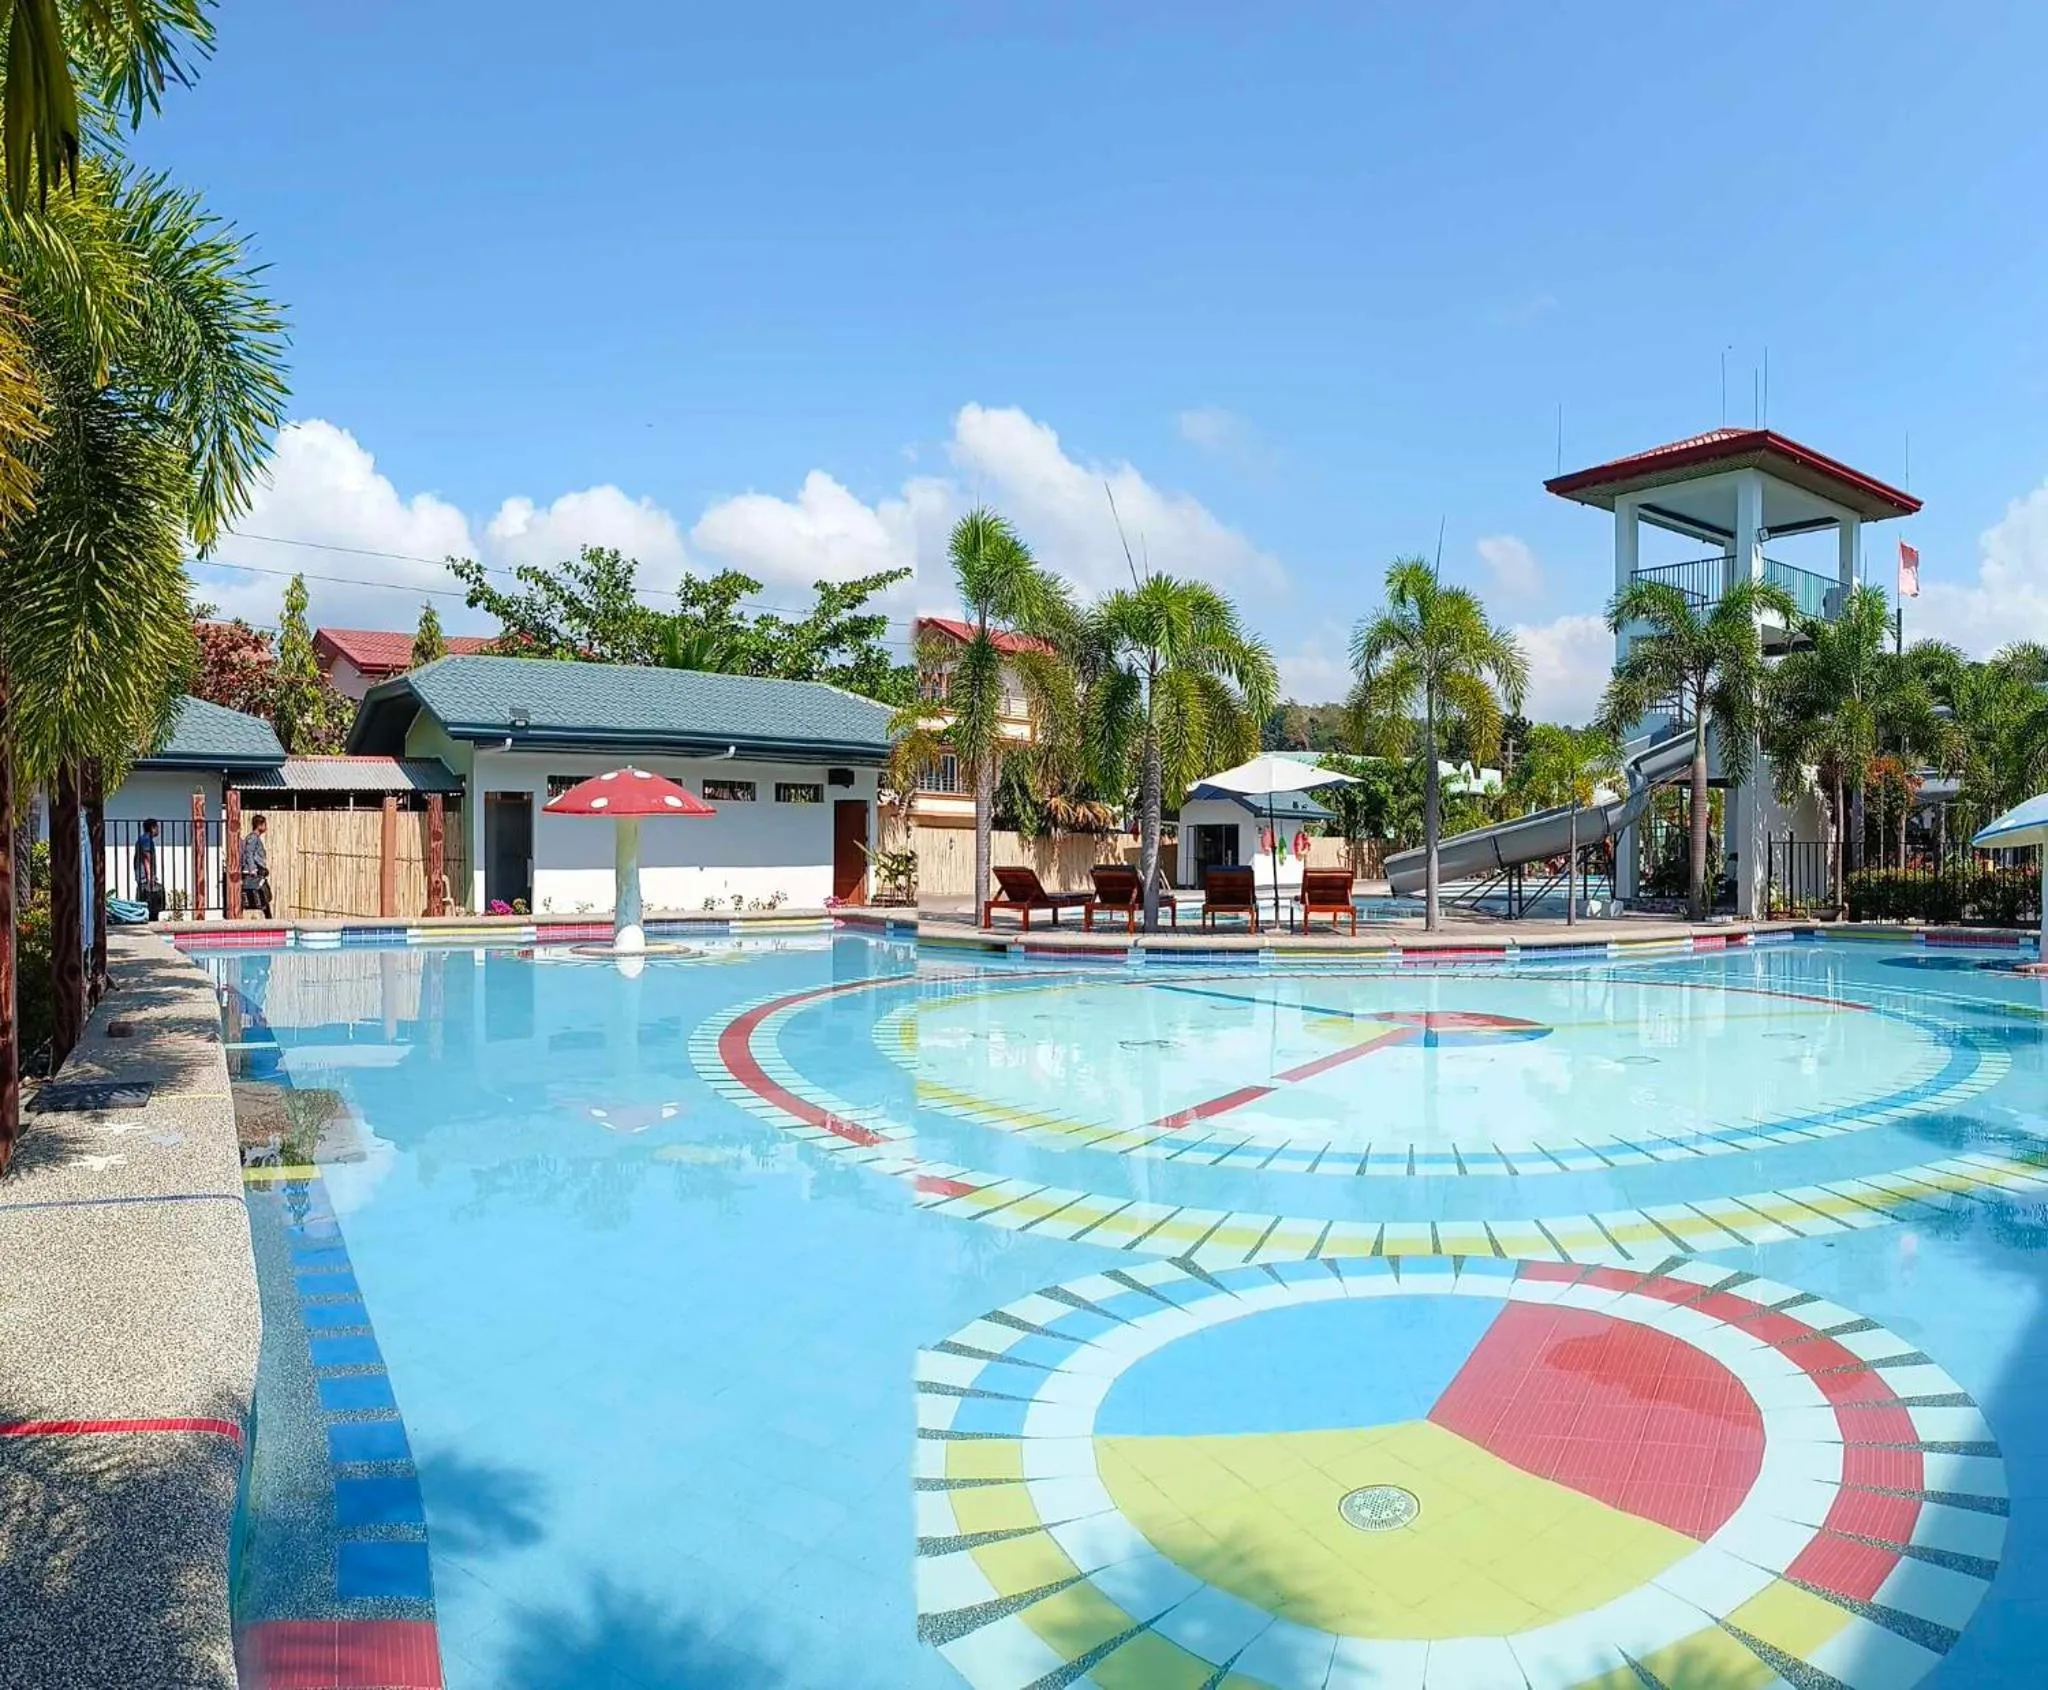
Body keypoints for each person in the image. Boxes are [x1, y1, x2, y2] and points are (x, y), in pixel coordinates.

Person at [240, 814, 273, 918]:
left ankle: (269, 919)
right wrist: (252, 869)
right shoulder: (253, 838)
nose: (266, 827)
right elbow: (248, 853)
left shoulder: (254, 838)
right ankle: (270, 920)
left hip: (256, 870)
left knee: (262, 895)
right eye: (264, 824)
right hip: (253, 871)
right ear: (259, 825)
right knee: (262, 895)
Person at [133, 818, 163, 920]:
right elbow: (147, 858)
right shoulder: (146, 839)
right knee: (149, 905)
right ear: (152, 828)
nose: (158, 830)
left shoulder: (143, 839)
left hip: (143, 877)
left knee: (146, 903)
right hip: (145, 878)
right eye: (157, 827)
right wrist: (150, 877)